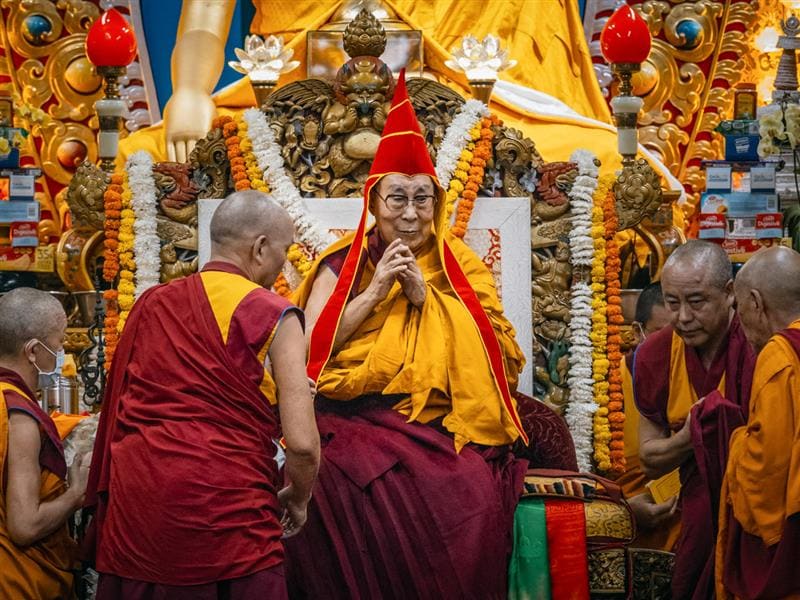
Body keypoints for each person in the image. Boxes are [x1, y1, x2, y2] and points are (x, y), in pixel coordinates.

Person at [283, 71, 530, 599]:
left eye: (423, 199)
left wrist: (426, 298)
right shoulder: (339, 265)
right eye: (397, 198)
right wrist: (372, 293)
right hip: (351, 418)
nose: (411, 214)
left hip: (437, 423)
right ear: (372, 202)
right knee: (330, 485)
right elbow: (304, 353)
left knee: (470, 491)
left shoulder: (459, 266)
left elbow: (500, 351)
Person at [86, 191, 320, 599]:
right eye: (285, 251)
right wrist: (298, 498)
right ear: (261, 247)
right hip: (224, 504)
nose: (285, 262)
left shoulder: (153, 303)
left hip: (142, 501)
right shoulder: (272, 313)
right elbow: (301, 444)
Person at [634, 240, 755, 600]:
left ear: (729, 293)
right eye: (673, 302)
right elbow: (649, 458)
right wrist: (690, 436)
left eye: (697, 302)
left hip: (750, 501)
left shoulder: (758, 345)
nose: (683, 317)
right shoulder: (656, 353)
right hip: (687, 496)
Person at [716, 246, 800, 599]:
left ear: (754, 302)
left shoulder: (779, 355)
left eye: (737, 308)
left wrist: (736, 443)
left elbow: (768, 464)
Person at [0, 288, 91, 598]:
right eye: (60, 342)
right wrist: (76, 495)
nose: (63, 351)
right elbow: (24, 526)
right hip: (16, 581)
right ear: (33, 351)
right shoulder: (19, 417)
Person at [617, 282, 681, 551]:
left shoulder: (693, 376)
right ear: (637, 332)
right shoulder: (608, 389)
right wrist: (625, 512)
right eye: (660, 334)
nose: (671, 345)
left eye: (678, 335)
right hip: (626, 537)